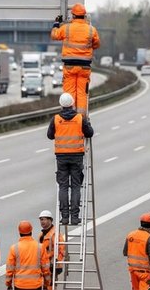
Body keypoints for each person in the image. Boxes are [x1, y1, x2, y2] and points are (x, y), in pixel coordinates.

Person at [47, 92, 94, 225]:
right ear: (72, 104)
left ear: (61, 105)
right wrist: (87, 124)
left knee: (63, 187)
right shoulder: (79, 118)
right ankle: (75, 217)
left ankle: (65, 217)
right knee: (76, 186)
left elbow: (50, 136)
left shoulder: (55, 119)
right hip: (77, 156)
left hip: (61, 157)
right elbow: (89, 133)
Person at [50, 2, 100, 114]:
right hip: (84, 67)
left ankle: (70, 115)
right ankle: (82, 118)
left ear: (73, 15)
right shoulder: (91, 30)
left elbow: (54, 35)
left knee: (70, 92)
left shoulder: (66, 28)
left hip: (69, 67)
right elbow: (96, 44)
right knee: (82, 93)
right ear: (85, 15)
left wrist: (56, 23)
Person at [5, 220, 51, 290]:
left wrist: (8, 283)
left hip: (20, 285)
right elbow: (45, 268)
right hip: (36, 285)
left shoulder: (14, 248)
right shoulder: (40, 247)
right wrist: (47, 283)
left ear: (19, 233)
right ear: (31, 232)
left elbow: (10, 269)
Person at [123, 213, 150, 290]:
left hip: (133, 271)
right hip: (144, 274)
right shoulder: (149, 237)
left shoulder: (130, 235)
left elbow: (125, 252)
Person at [38, 210, 64, 289]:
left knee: (50, 285)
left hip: (52, 265)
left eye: (44, 219)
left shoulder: (55, 234)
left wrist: (56, 264)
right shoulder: (41, 234)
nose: (42, 221)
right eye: (41, 219)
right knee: (45, 285)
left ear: (50, 220)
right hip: (44, 265)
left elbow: (61, 249)